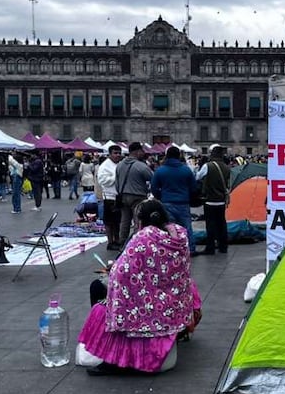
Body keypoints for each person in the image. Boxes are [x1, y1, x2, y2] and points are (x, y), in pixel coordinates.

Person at [76, 199, 201, 373]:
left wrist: (112, 273)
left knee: (101, 297)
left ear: (141, 220)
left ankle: (115, 359)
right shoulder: (179, 236)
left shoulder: (145, 237)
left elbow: (121, 273)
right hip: (175, 304)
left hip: (149, 308)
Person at [150, 146, 198, 255]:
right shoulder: (186, 170)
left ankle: (171, 249)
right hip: (183, 203)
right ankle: (190, 248)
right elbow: (194, 188)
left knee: (169, 227)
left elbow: (153, 188)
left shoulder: (160, 170)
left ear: (167, 156)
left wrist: (160, 196)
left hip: (166, 202)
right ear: (179, 156)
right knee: (187, 227)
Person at [114, 142, 153, 245]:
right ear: (137, 151)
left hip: (123, 196)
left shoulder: (120, 165)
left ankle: (122, 242)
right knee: (138, 221)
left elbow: (116, 182)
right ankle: (136, 243)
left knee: (125, 221)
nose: (143, 153)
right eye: (142, 151)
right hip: (137, 196)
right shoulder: (141, 166)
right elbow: (152, 177)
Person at [196, 144, 231, 254]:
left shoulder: (208, 166)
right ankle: (223, 247)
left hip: (209, 200)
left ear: (212, 154)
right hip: (221, 201)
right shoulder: (226, 167)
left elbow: (198, 177)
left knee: (210, 225)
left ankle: (210, 247)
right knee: (221, 224)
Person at [97, 145, 122, 250]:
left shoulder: (119, 164)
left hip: (118, 196)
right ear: (110, 154)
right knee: (109, 222)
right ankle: (110, 242)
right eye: (115, 153)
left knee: (117, 221)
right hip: (109, 197)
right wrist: (115, 177)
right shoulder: (104, 166)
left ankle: (117, 240)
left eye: (119, 153)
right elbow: (102, 181)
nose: (118, 155)